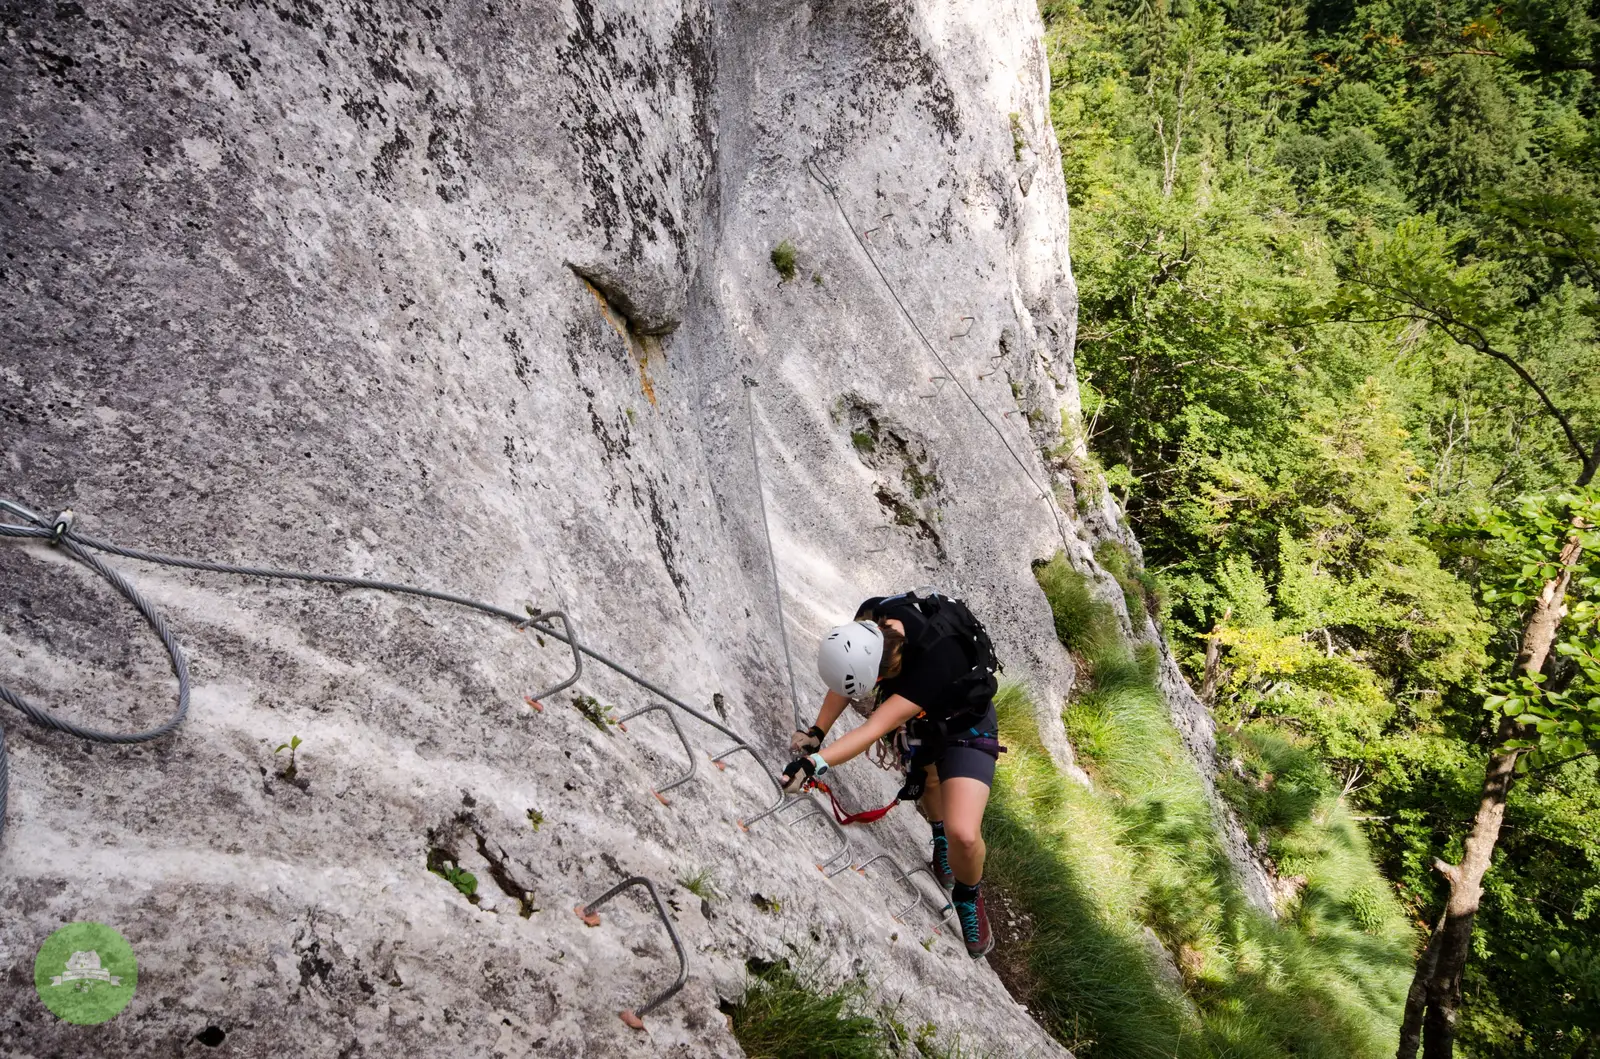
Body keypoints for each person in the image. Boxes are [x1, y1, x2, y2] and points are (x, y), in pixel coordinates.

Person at [781, 589, 1004, 959]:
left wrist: (812, 764)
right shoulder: (874, 615)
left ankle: (968, 895)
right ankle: (939, 840)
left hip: (967, 727)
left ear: (884, 675)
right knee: (928, 777)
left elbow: (873, 727)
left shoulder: (937, 658)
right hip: (923, 722)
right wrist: (816, 733)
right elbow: (846, 673)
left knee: (964, 833)